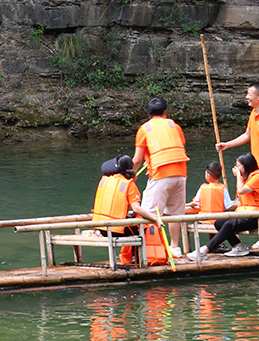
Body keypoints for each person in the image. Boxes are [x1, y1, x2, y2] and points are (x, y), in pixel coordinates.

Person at [215, 82, 259, 249]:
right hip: (255, 166)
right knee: (255, 200)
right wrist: (227, 144)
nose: (246, 97)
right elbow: (247, 135)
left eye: (249, 94)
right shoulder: (254, 113)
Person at [132, 97, 189, 259]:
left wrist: (132, 176)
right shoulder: (174, 126)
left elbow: (137, 160)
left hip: (160, 175)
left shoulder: (144, 129)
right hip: (180, 174)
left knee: (148, 213)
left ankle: (150, 251)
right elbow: (182, 148)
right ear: (165, 112)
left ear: (148, 114)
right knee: (175, 213)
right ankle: (175, 247)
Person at [189, 153, 259, 259]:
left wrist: (238, 176)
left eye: (238, 166)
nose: (236, 168)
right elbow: (241, 201)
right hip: (248, 214)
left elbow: (242, 190)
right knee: (219, 223)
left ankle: (204, 250)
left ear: (246, 165)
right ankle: (238, 246)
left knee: (229, 224)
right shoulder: (246, 178)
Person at [91, 154, 164, 265]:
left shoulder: (105, 180)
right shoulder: (129, 184)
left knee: (132, 220)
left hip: (100, 227)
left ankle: (130, 256)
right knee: (144, 227)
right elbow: (137, 209)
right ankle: (137, 258)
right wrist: (156, 219)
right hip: (115, 230)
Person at [185, 162, 236, 250]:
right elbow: (228, 206)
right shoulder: (223, 189)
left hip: (204, 220)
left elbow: (195, 203)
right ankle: (218, 244)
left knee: (213, 225)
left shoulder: (203, 188)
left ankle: (216, 244)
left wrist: (187, 205)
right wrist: (237, 204)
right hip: (217, 221)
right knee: (220, 224)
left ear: (208, 176)